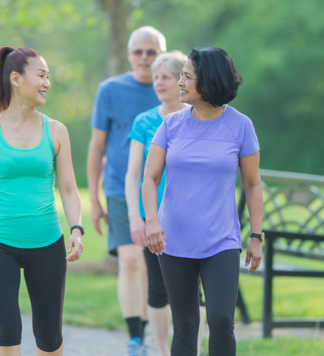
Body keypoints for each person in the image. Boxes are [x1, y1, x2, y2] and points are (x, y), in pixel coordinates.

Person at [0, 46, 84, 356]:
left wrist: (77, 228)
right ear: (15, 78)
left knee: (50, 337)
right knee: (7, 332)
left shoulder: (56, 131)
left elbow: (68, 188)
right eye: (40, 75)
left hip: (48, 243)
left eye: (48, 77)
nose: (46, 83)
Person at [142, 47, 264, 356]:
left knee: (222, 319)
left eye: (187, 76)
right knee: (185, 324)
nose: (180, 82)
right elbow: (149, 178)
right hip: (173, 240)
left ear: (208, 82)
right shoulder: (171, 124)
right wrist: (152, 221)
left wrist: (256, 236)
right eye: (181, 75)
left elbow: (252, 184)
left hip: (221, 240)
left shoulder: (241, 126)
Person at [87, 25, 165, 355]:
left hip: (164, 190)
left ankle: (150, 329)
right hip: (121, 186)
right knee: (131, 259)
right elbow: (97, 145)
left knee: (153, 263)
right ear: (130, 54)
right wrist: (93, 198)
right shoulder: (110, 89)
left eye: (152, 52)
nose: (145, 58)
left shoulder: (174, 87)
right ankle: (136, 336)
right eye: (139, 51)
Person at [125, 50, 205, 356]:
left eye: (166, 77)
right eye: (155, 77)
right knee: (158, 290)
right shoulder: (144, 122)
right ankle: (161, 352)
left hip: (192, 220)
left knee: (193, 292)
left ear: (182, 80)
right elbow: (133, 175)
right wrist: (137, 217)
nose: (158, 83)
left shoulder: (200, 119)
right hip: (155, 221)